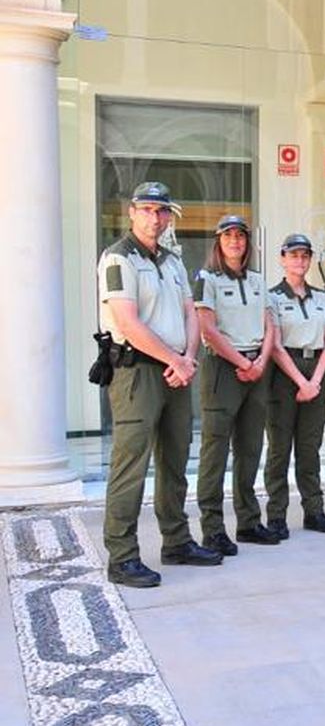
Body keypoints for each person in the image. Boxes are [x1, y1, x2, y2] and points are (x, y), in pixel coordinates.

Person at [98, 181, 219, 587]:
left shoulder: (171, 261)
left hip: (176, 371)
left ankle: (177, 541)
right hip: (138, 373)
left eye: (162, 210)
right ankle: (122, 557)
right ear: (132, 212)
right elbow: (128, 321)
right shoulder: (119, 259)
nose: (155, 217)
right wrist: (175, 360)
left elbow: (190, 312)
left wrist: (187, 358)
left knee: (175, 462)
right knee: (131, 466)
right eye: (147, 209)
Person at [195, 214, 278, 553]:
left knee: (250, 449)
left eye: (240, 235)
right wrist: (243, 362)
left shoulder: (258, 280)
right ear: (219, 241)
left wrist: (259, 362)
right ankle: (213, 529)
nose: (235, 241)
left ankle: (248, 521)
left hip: (257, 368)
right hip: (224, 370)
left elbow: (270, 325)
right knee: (215, 452)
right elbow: (208, 329)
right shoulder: (207, 279)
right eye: (228, 235)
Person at [265, 233, 325, 536]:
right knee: (280, 450)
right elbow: (276, 344)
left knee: (310, 449)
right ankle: (277, 516)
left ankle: (314, 511)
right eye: (293, 255)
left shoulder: (322, 297)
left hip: (315, 371)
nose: (299, 261)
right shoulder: (271, 297)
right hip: (284, 374)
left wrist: (316, 380)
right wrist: (301, 381)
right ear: (282, 259)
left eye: (304, 256)